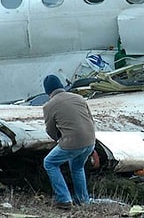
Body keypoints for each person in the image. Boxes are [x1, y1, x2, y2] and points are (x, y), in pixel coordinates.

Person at [42, 74, 96, 210]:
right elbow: (90, 120)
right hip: (90, 141)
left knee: (50, 163)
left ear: (48, 92)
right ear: (61, 86)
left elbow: (50, 130)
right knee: (77, 168)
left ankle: (64, 199)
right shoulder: (79, 98)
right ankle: (83, 200)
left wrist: (59, 140)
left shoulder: (49, 106)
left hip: (72, 143)